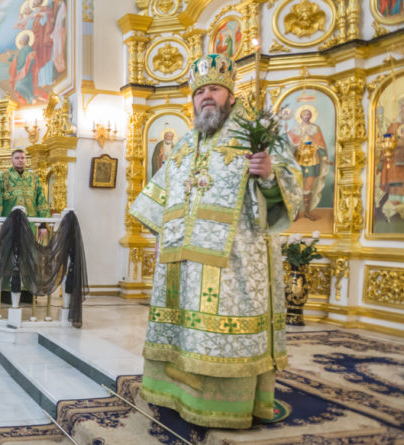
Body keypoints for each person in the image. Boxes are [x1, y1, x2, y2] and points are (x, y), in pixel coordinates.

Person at [129, 54, 303, 429]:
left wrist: (270, 175)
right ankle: (176, 395)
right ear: (193, 100)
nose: (207, 97)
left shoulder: (256, 131)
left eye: (215, 90)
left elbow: (292, 185)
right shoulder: (185, 143)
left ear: (229, 94)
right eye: (201, 91)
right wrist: (161, 235)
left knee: (218, 334)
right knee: (183, 331)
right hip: (182, 263)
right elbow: (162, 196)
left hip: (235, 262)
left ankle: (227, 407)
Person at [0, 149, 51, 226]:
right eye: (17, 158)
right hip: (9, 221)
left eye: (23, 158)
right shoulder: (3, 177)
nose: (20, 160)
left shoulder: (34, 178)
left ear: (26, 160)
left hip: (31, 221)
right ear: (12, 160)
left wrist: (43, 225)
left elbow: (41, 201)